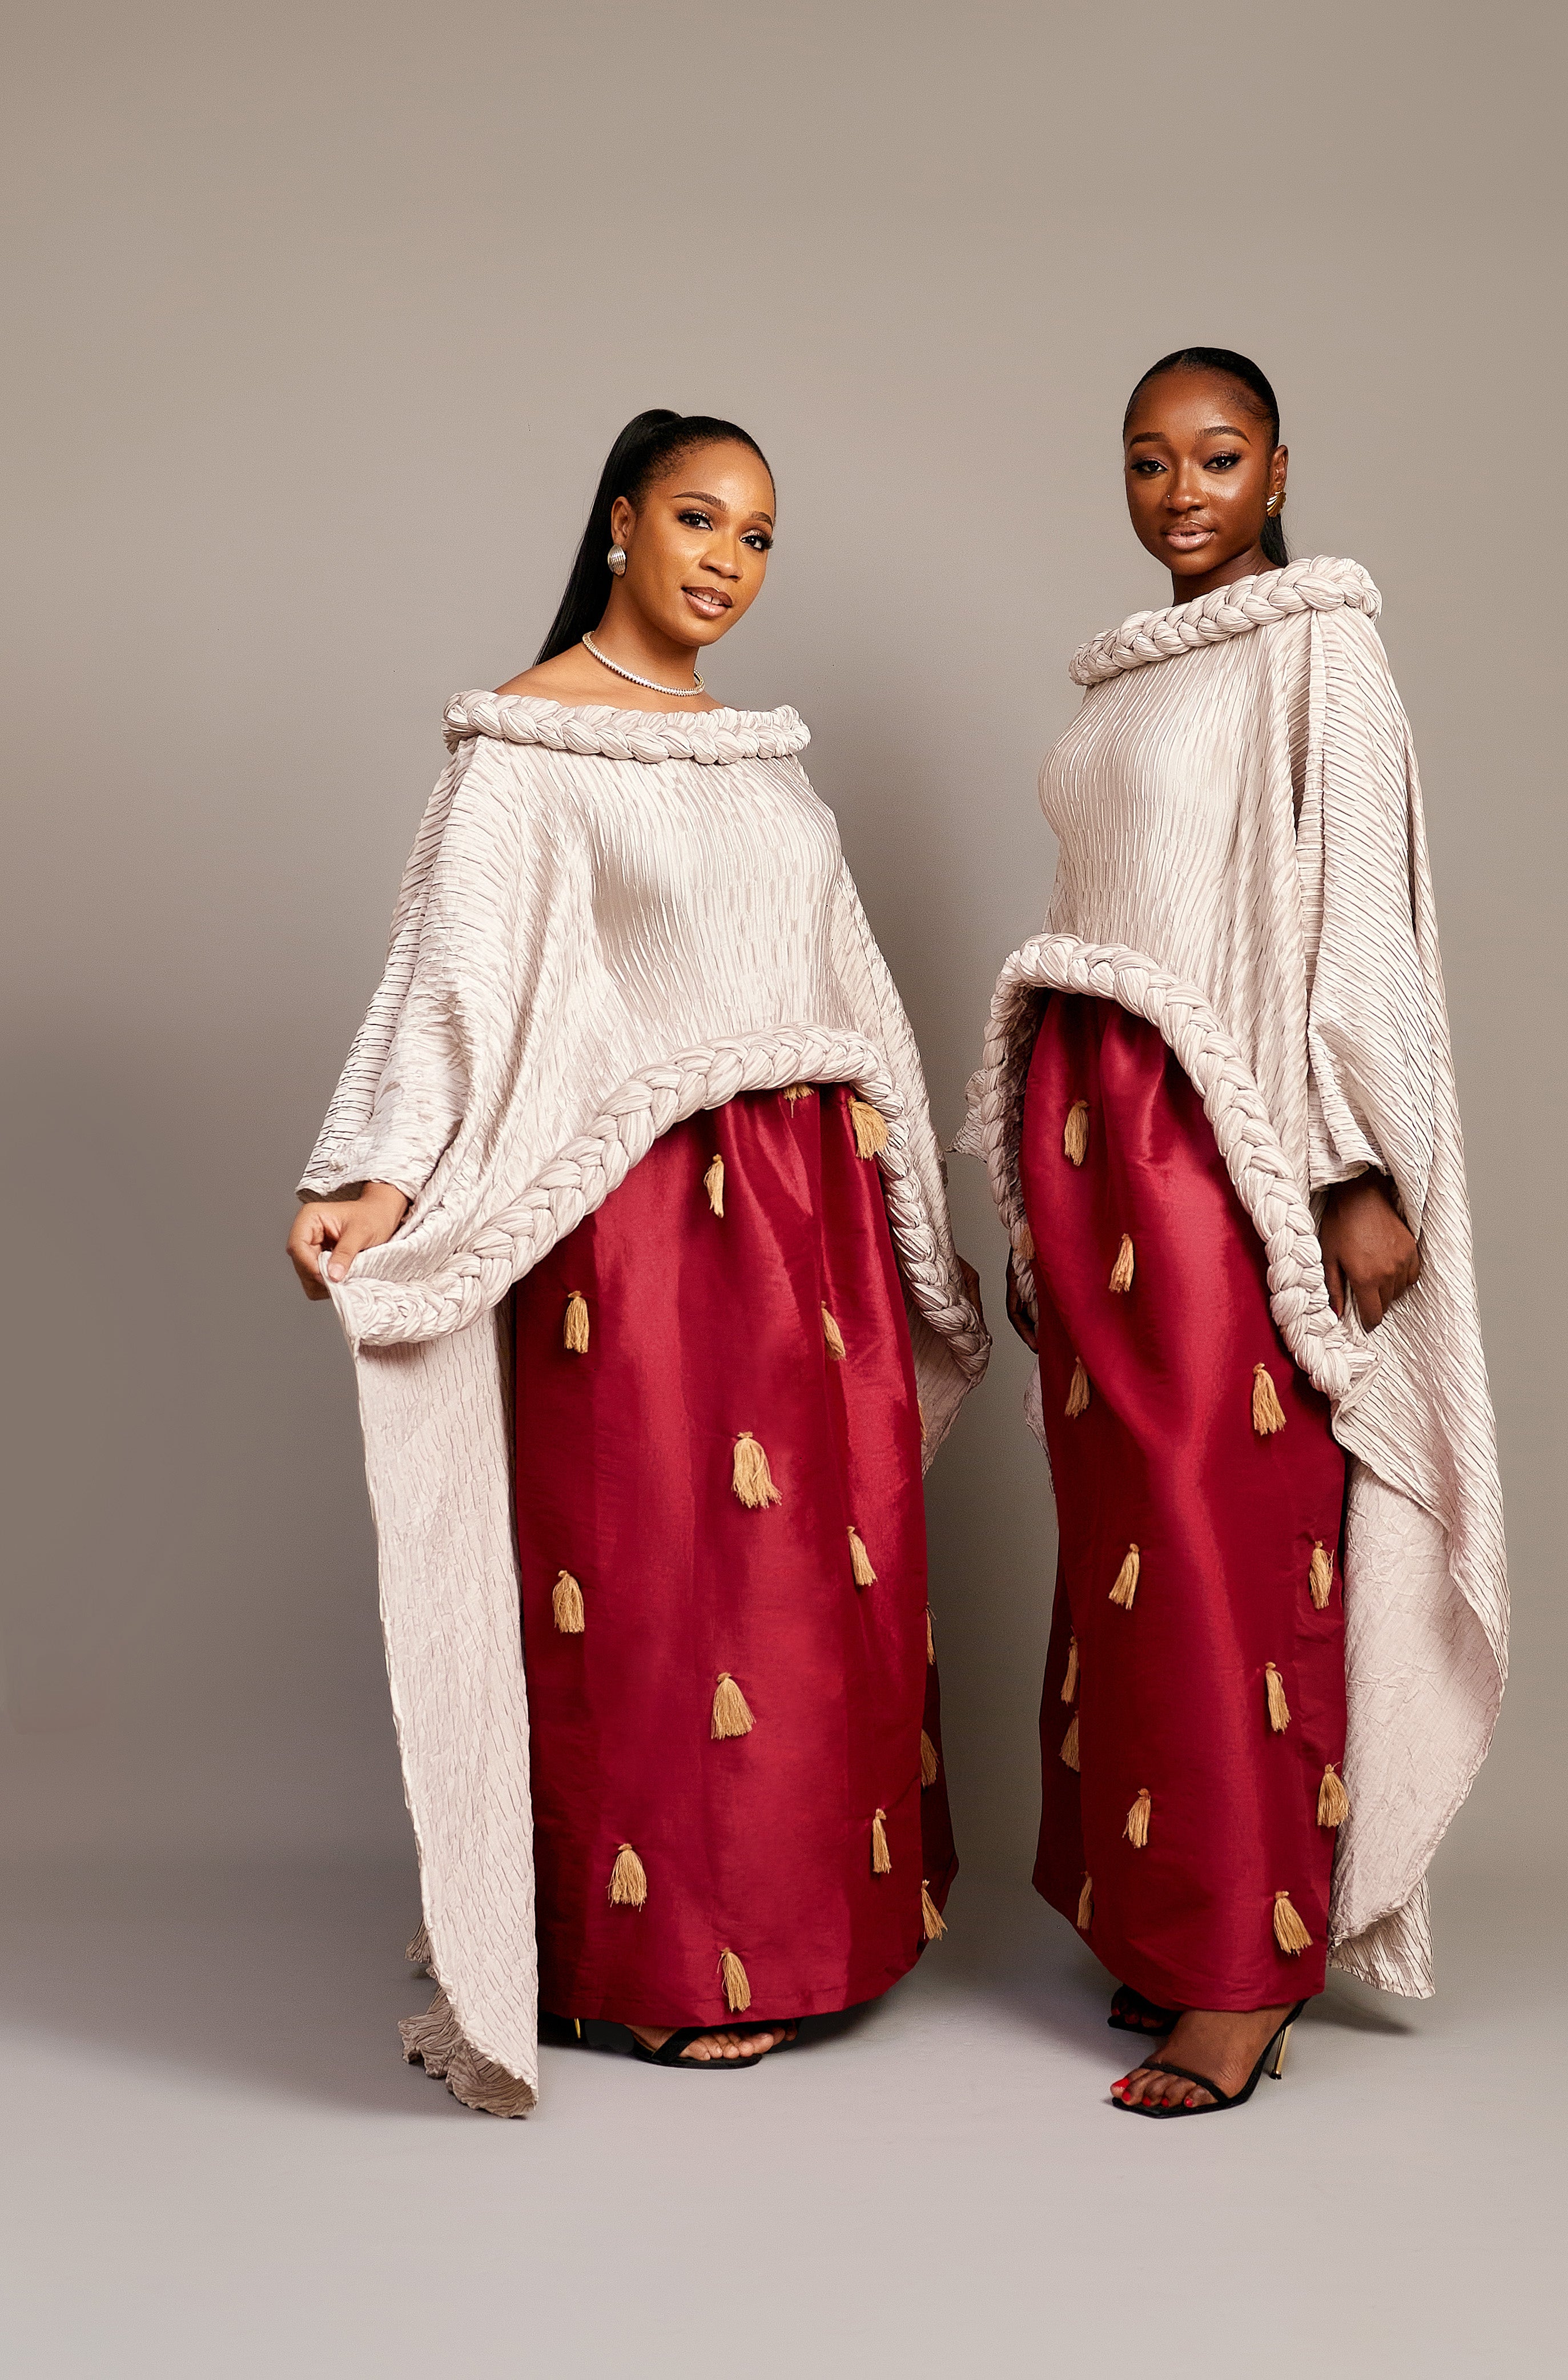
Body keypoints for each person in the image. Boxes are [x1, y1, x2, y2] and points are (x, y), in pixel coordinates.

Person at [291, 409, 987, 2114]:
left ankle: (814, 1927)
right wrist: (375, 1177)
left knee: (812, 1587)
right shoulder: (525, 745)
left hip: (813, 1219)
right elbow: (453, 980)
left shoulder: (761, 756)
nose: (728, 562)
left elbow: (843, 973)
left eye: (758, 537)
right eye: (698, 519)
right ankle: (660, 1960)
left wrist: (904, 1188)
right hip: (650, 1232)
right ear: (621, 522)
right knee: (667, 1583)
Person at [959, 348, 1506, 2116]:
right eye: (1148, 460)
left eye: (1216, 456)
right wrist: (1035, 1180)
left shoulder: (1318, 642)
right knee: (1124, 1535)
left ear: (1278, 466)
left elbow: (1357, 905)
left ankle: (1246, 1971)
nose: (1180, 491)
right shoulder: (1132, 673)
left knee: (1221, 1530)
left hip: (1226, 1135)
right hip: (1095, 1130)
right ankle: (1162, 1915)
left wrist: (1359, 1163)